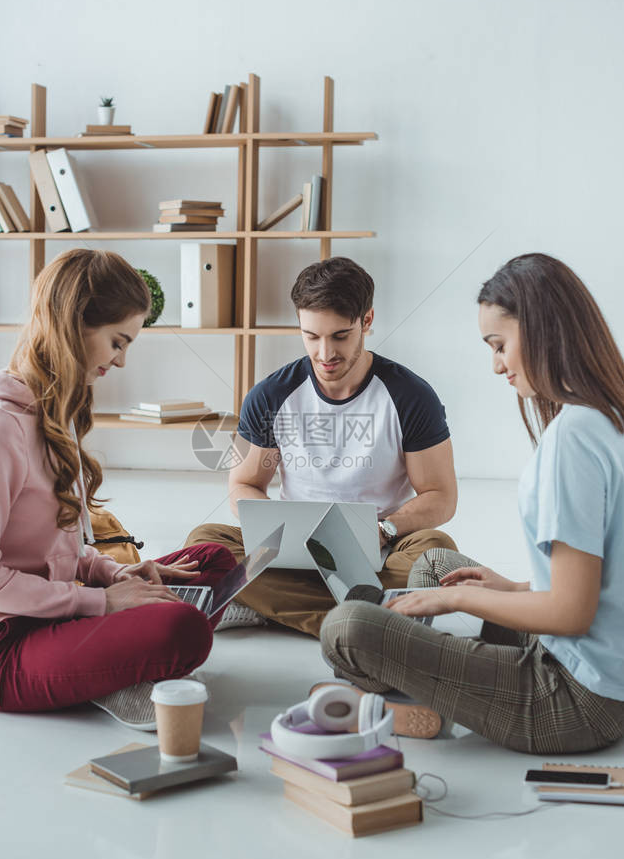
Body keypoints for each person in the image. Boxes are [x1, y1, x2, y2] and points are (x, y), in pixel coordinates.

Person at [321, 253, 624, 754]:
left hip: (575, 699)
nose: (497, 365)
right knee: (436, 564)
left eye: (500, 345)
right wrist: (512, 587)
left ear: (545, 329)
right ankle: (425, 684)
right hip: (597, 670)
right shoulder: (607, 415)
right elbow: (602, 578)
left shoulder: (574, 438)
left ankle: (399, 701)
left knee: (347, 628)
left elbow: (572, 613)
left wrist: (456, 599)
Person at [0, 249, 235, 729]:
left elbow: (58, 550)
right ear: (76, 324)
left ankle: (108, 666)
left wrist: (112, 576)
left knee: (213, 563)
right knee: (183, 628)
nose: (120, 361)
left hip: (46, 608)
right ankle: (114, 670)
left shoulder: (55, 412)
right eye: (118, 341)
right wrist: (98, 601)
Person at [186, 256, 458, 637]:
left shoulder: (411, 396)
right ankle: (369, 624)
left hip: (382, 550)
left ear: (367, 321)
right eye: (311, 336)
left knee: (436, 551)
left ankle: (271, 605)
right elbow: (244, 484)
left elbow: (440, 495)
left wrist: (387, 528)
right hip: (291, 550)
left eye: (340, 336)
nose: (325, 354)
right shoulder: (271, 395)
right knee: (204, 545)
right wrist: (276, 529)